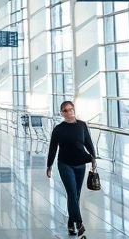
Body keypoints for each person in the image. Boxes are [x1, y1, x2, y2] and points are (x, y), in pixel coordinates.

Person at [46, 100, 97, 236]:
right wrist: (49, 166)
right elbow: (52, 148)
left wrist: (93, 159)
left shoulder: (81, 125)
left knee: (76, 195)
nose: (69, 113)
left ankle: (71, 223)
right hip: (65, 164)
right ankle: (79, 223)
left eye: (71, 109)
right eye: (65, 110)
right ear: (62, 113)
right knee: (72, 193)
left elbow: (88, 142)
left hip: (81, 164)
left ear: (74, 110)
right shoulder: (58, 129)